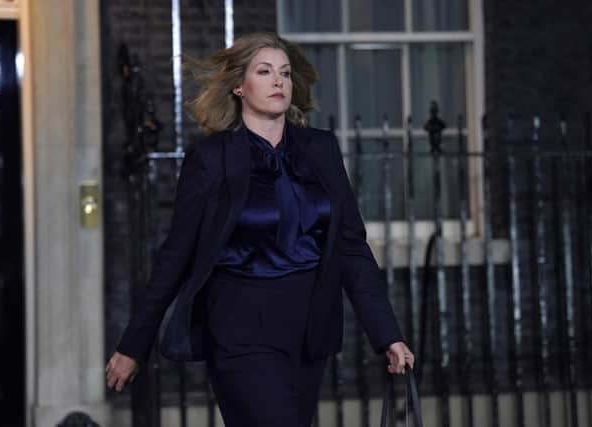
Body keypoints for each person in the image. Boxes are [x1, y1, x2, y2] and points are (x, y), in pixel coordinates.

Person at [106, 31, 415, 426]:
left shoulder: (320, 149)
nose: (278, 82)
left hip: (308, 328)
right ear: (239, 85)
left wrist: (387, 334)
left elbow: (351, 247)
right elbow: (176, 255)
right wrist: (134, 344)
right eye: (265, 71)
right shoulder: (210, 158)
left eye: (285, 74)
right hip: (240, 328)